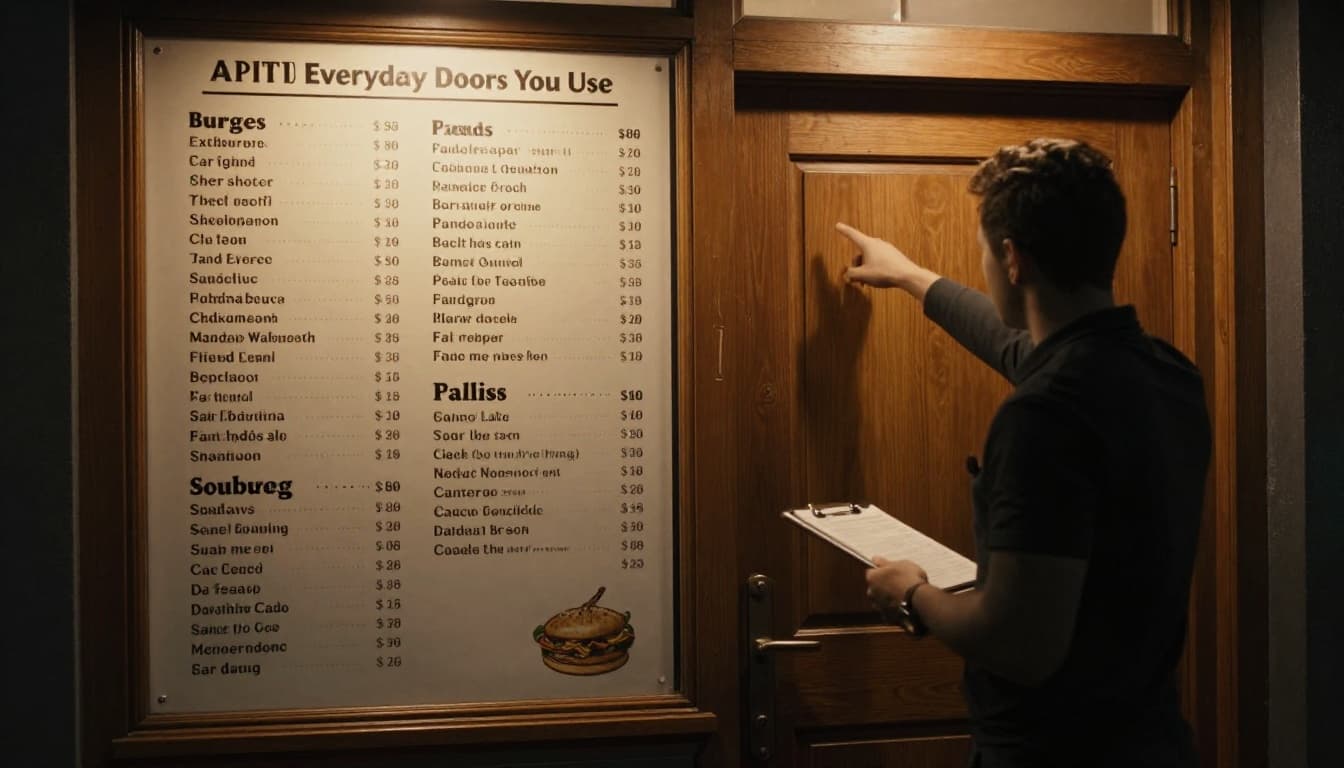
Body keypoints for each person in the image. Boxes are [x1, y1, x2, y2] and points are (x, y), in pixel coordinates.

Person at [838, 138, 1209, 768]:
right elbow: (1021, 347)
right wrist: (909, 275)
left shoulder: (1043, 415)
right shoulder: (1166, 373)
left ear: (1011, 259)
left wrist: (913, 596)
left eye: (986, 252)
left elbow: (1020, 646)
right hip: (1151, 741)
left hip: (1049, 751)